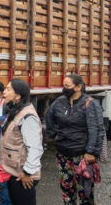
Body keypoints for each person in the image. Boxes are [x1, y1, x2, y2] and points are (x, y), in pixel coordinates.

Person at [45, 74, 105, 205]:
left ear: (78, 87)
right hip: (63, 154)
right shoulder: (59, 102)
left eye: (67, 86)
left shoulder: (90, 103)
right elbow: (49, 118)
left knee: (85, 193)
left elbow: (96, 129)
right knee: (67, 191)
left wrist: (91, 151)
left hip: (82, 155)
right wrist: (55, 135)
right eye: (63, 86)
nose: (64, 89)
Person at [0, 79, 43, 205]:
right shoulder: (16, 111)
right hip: (15, 172)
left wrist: (27, 172)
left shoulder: (28, 117)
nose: (4, 92)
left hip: (23, 175)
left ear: (18, 96)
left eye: (8, 89)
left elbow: (35, 148)